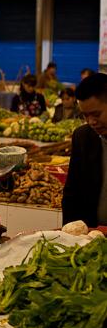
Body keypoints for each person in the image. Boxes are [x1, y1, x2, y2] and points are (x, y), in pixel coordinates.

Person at [63, 73, 107, 227]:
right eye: (85, 115)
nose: (91, 122)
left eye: (96, 114)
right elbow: (71, 193)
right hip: (90, 237)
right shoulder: (82, 137)